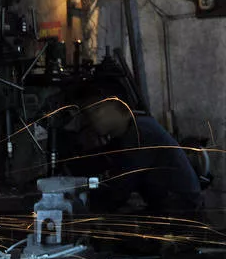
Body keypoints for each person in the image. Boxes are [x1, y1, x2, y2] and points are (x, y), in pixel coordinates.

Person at [63, 83, 202, 217]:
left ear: (117, 105)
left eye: (96, 109)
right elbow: (103, 159)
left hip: (180, 211)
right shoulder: (130, 131)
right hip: (166, 207)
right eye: (87, 113)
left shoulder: (141, 132)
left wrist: (89, 208)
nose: (90, 118)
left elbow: (121, 187)